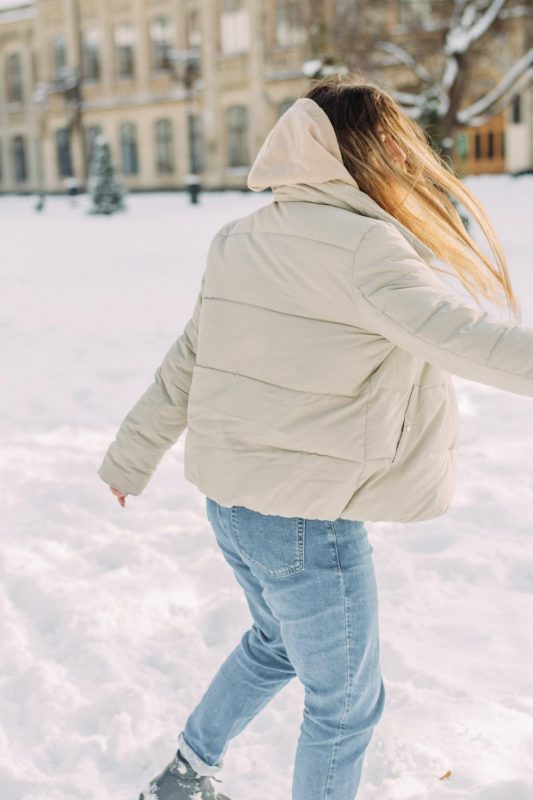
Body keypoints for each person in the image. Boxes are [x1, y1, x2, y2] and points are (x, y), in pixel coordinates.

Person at [98, 73, 533, 800]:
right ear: (363, 151)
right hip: (303, 521)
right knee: (344, 707)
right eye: (392, 142)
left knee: (273, 645)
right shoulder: (365, 249)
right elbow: (468, 341)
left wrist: (130, 455)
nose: (401, 156)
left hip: (234, 507)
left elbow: (187, 360)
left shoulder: (239, 239)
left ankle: (186, 773)